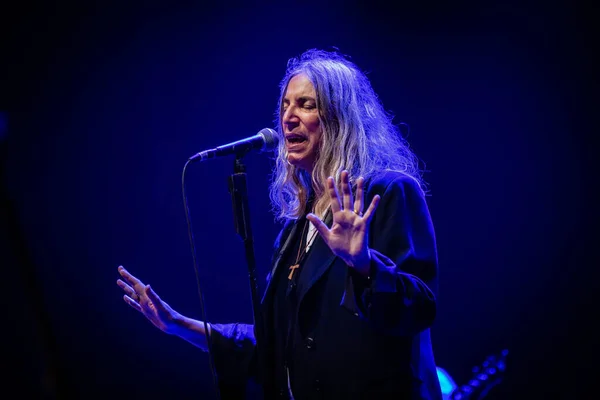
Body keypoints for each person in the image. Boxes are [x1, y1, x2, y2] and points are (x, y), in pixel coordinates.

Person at [117, 48, 442, 399]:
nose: (288, 117)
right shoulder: (296, 230)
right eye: (285, 105)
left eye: (306, 104)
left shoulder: (387, 192)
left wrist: (362, 263)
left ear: (341, 119)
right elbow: (272, 346)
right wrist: (178, 325)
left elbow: (419, 307)